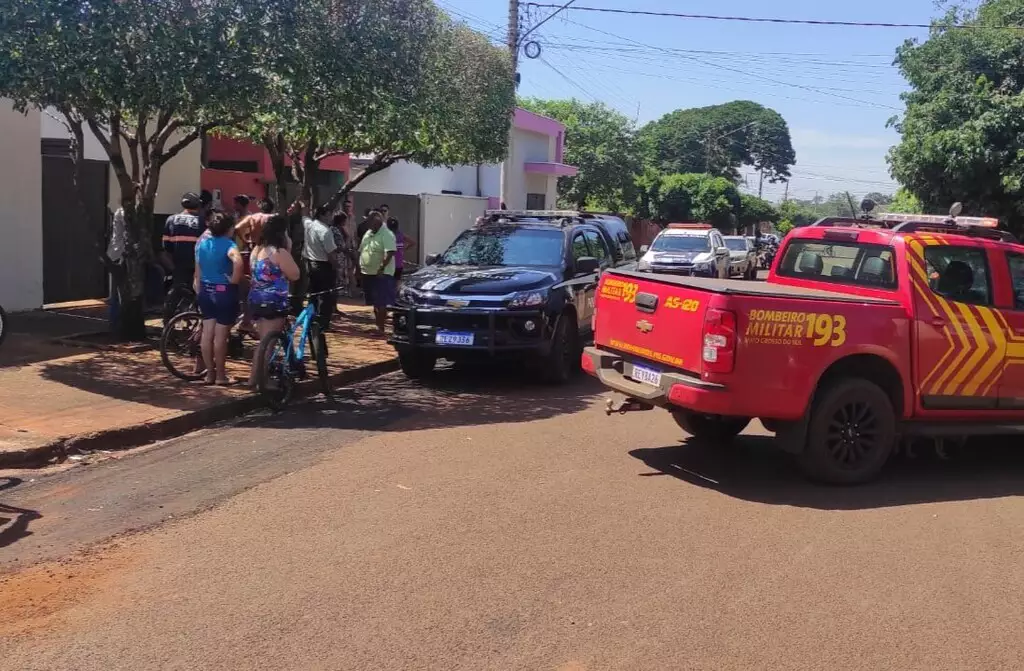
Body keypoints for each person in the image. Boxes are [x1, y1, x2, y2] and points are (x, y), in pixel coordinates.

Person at [248, 215, 301, 385]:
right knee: (269, 343)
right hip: (274, 301)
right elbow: (295, 274)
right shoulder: (279, 252)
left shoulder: (257, 250)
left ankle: (253, 379)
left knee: (263, 342)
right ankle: (263, 381)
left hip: (256, 299)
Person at [194, 212, 244, 385]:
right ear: (228, 229)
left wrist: (199, 287)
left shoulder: (202, 244)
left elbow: (198, 270)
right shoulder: (229, 244)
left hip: (206, 290)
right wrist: (234, 280)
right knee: (221, 336)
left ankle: (209, 374)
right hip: (224, 291)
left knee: (207, 334)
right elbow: (237, 261)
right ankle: (221, 376)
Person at [358, 210, 396, 334]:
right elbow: (362, 250)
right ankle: (377, 326)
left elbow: (389, 252)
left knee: (381, 301)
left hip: (381, 274)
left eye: (369, 221)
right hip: (367, 273)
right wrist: (357, 268)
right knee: (374, 301)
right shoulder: (368, 233)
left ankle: (381, 328)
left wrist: (381, 268)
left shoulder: (387, 234)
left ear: (377, 221)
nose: (367, 223)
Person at [303, 204, 339, 329]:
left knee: (313, 294)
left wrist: (303, 205)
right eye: (329, 214)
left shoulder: (310, 225)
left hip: (310, 264)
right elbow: (331, 254)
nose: (331, 217)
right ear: (322, 215)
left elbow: (305, 217)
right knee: (325, 296)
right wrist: (335, 266)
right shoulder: (325, 231)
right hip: (323, 266)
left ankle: (309, 320)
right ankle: (323, 324)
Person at [162, 192, 207, 289]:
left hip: (178, 267)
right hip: (198, 267)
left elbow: (166, 248)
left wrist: (173, 268)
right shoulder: (203, 221)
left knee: (179, 294)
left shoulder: (171, 220)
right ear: (198, 205)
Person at [331, 212, 357, 297]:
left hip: (341, 257)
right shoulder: (334, 230)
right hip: (337, 257)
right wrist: (347, 250)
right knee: (338, 277)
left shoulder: (339, 229)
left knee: (342, 276)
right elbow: (338, 246)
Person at [387, 217, 416, 282]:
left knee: (390, 282)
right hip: (398, 264)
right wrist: (403, 250)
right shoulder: (401, 235)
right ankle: (396, 292)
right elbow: (413, 243)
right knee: (397, 281)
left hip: (389, 265)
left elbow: (413, 243)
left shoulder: (387, 236)